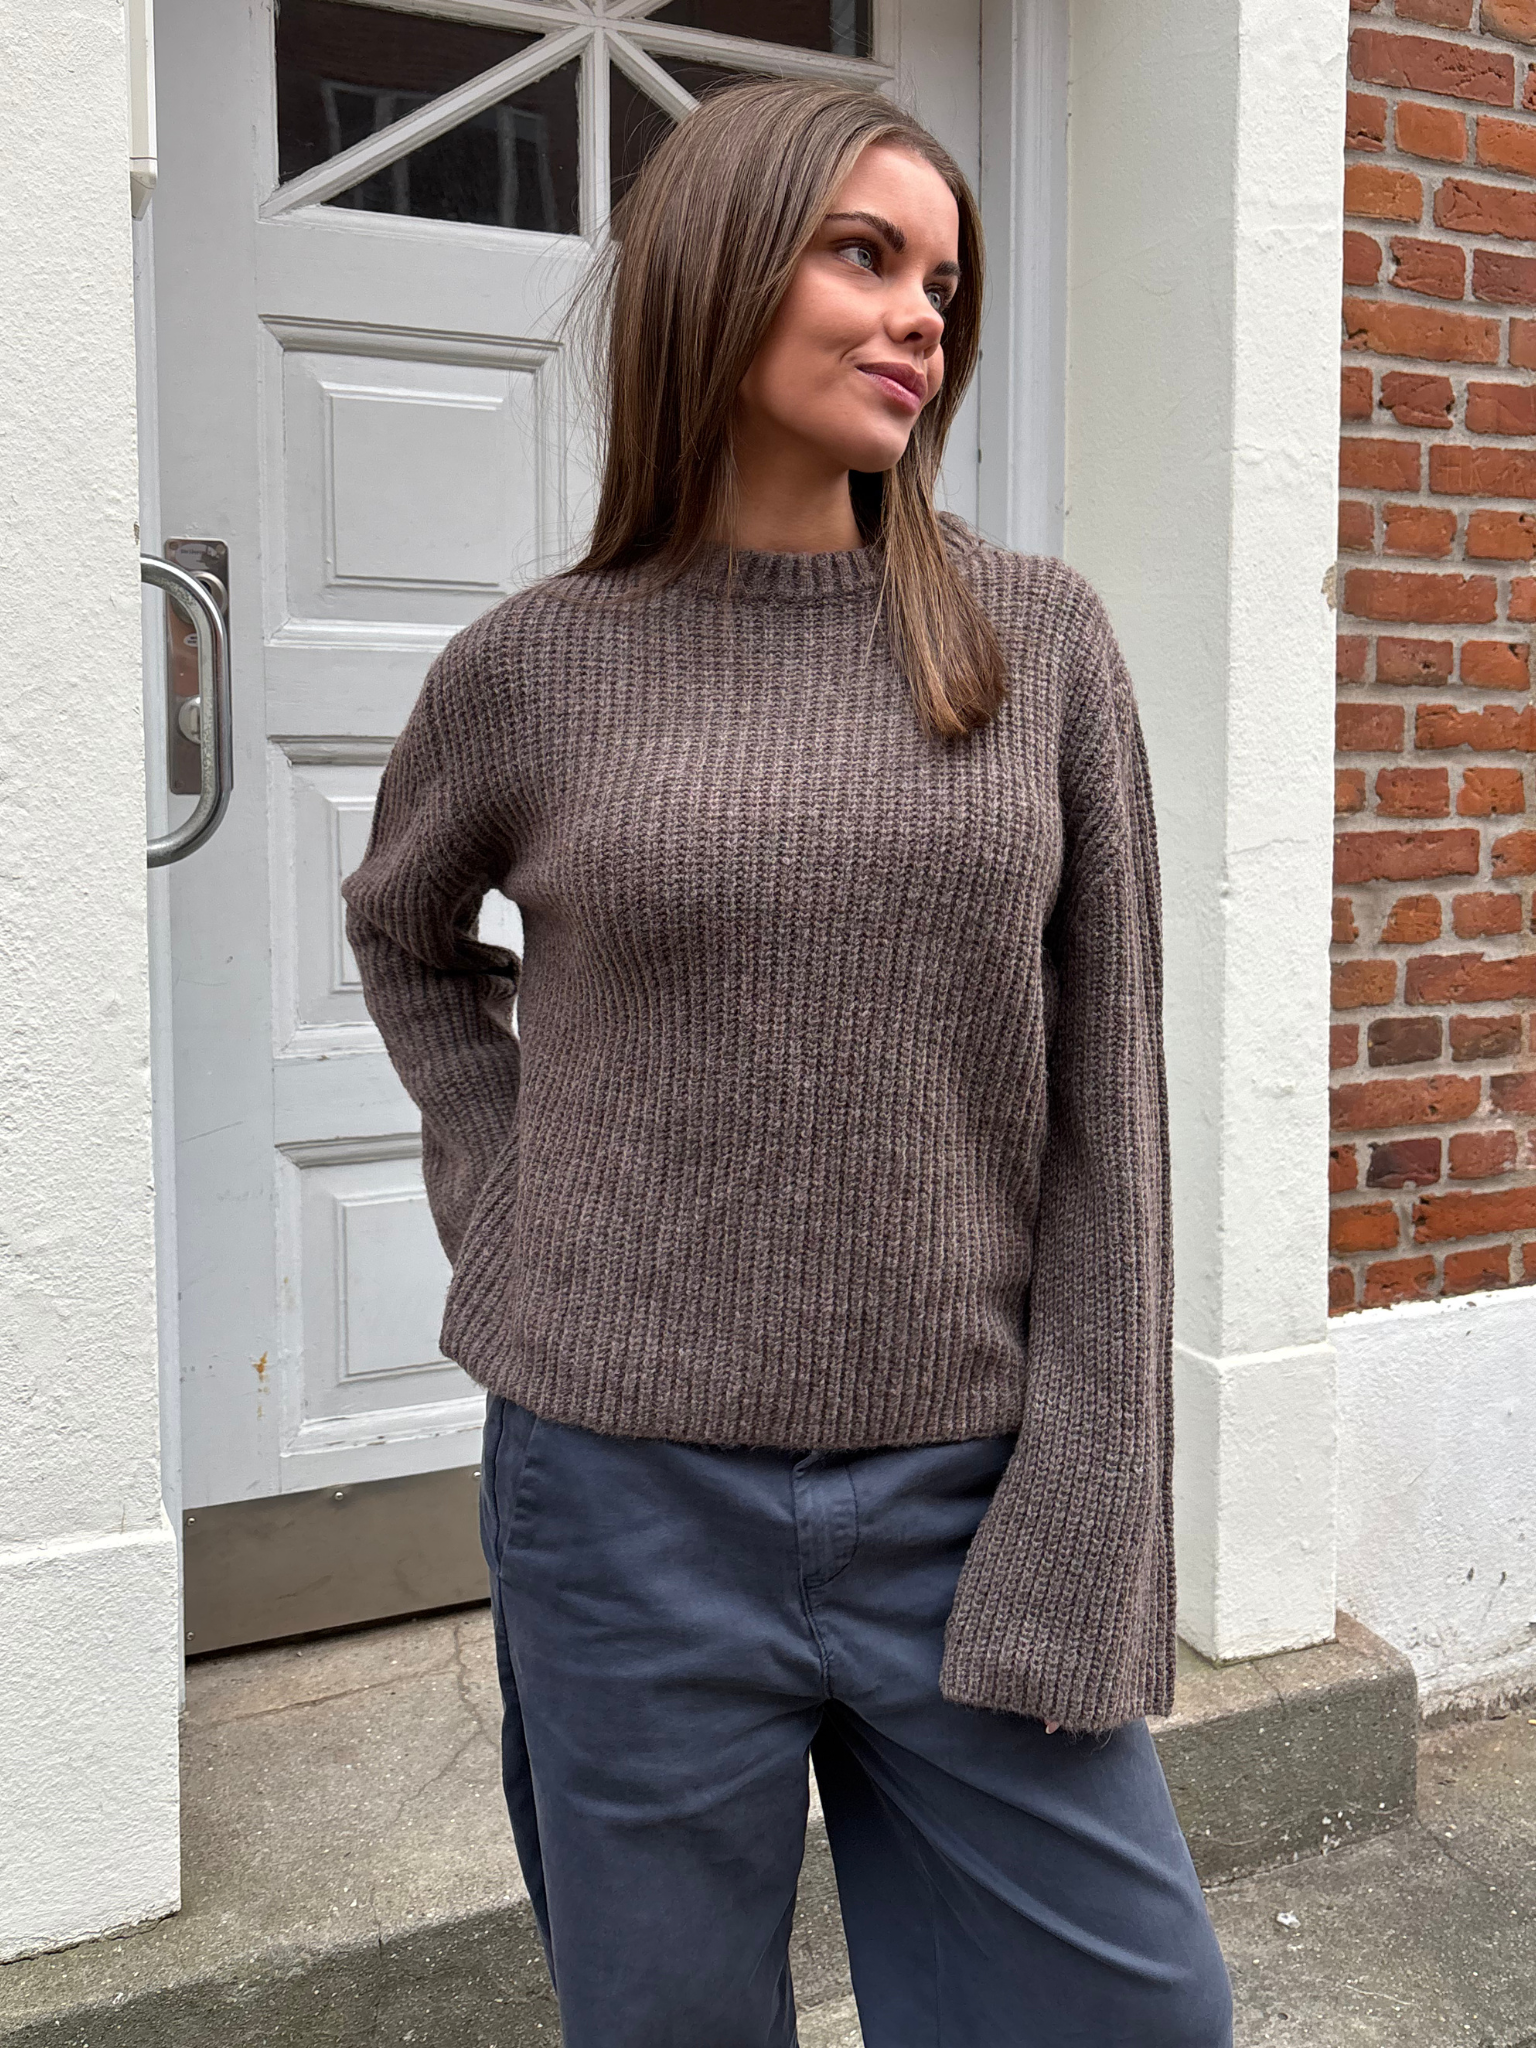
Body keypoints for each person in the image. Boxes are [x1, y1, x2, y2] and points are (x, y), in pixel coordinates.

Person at [341, 75, 1234, 2048]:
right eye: (864, 255)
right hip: (620, 1500)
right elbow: (405, 934)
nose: (922, 316)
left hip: (964, 1486)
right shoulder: (532, 669)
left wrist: (1092, 1487)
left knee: (1133, 2017)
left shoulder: (1033, 645)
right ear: (719, 270)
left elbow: (1115, 1105)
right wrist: (510, 1194)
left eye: (943, 282)